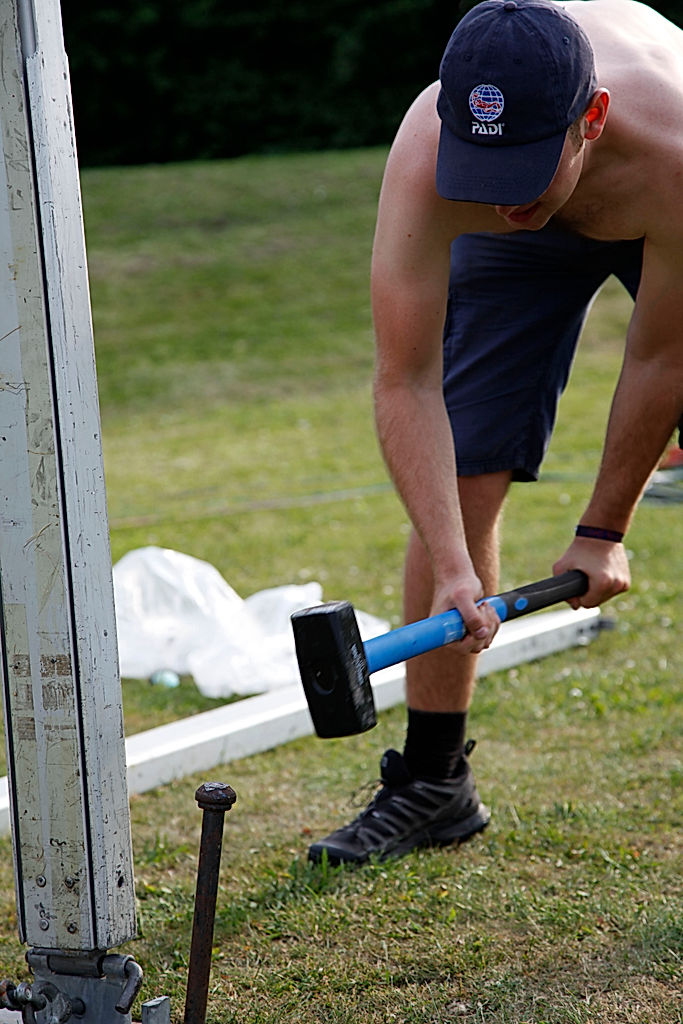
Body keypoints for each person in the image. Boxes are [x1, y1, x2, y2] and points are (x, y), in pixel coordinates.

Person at [308, 0, 683, 865]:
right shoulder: (435, 156)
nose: (502, 196)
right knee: (466, 461)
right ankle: (434, 783)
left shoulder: (669, 154)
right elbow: (406, 378)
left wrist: (601, 532)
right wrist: (451, 563)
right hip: (572, 191)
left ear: (590, 121)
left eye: (519, 169)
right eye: (484, 166)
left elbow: (659, 359)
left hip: (650, 198)